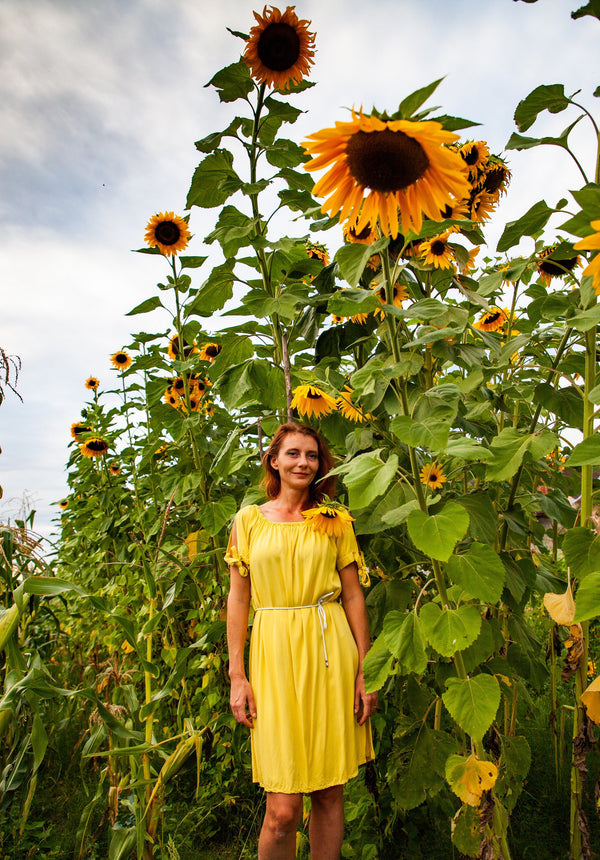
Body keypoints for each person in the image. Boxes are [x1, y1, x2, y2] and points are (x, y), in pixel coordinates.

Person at [225, 422, 377, 860]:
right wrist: (238, 675)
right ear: (274, 461)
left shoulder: (333, 520)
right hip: (273, 655)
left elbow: (352, 595)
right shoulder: (249, 521)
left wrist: (366, 669)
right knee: (284, 808)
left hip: (331, 653)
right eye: (293, 454)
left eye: (311, 455)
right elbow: (238, 599)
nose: (303, 463)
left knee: (329, 792)